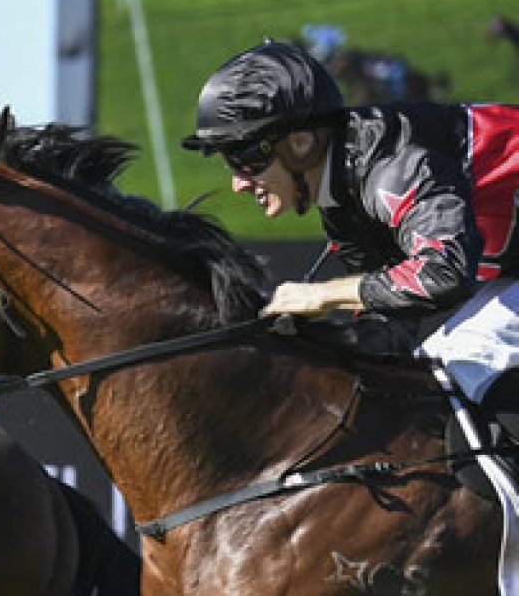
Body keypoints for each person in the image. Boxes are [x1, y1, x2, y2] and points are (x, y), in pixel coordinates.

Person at [181, 39, 519, 405]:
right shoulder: (340, 194)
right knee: (424, 379)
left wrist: (323, 294)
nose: (238, 183)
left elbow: (443, 275)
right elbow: (389, 326)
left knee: (462, 367)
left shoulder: (392, 170)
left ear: (301, 142)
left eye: (245, 160)